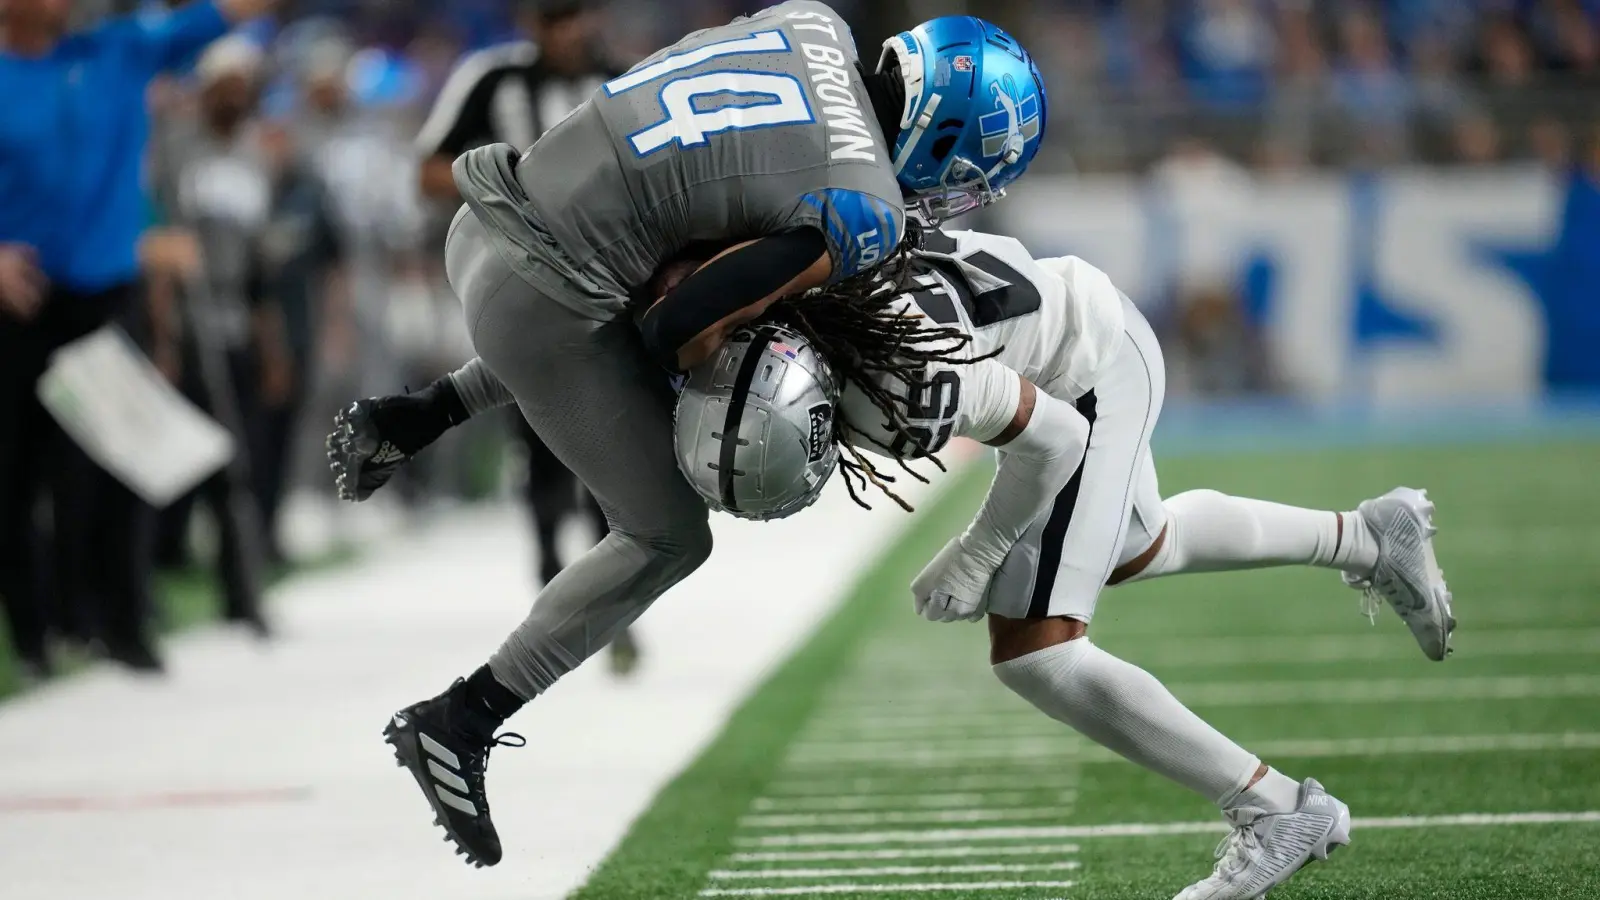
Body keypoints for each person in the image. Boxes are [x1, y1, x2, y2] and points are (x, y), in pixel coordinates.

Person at [327, 5, 1048, 867]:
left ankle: (419, 414)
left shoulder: (810, 19)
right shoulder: (869, 207)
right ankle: (462, 720)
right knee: (669, 533)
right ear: (944, 135)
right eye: (968, 171)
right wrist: (754, 373)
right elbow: (678, 323)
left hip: (484, 216)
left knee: (629, 282)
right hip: (534, 298)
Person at [666, 227, 1457, 900]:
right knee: (1143, 546)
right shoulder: (800, 276)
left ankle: (1275, 807)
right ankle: (1366, 535)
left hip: (1088, 377)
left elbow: (1056, 441)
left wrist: (974, 555)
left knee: (1038, 650)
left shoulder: (895, 390)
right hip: (1084, 323)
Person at [0, 0, 277, 675]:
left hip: (102, 293)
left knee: (114, 466)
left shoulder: (118, 51)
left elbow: (230, 12)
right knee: (13, 478)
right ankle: (37, 638)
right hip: (18, 298)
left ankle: (119, 622)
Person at [414, 0, 638, 674]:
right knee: (538, 441)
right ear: (531, 23)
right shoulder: (492, 81)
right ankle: (549, 572)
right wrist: (503, 193)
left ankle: (608, 601)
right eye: (552, 17)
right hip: (523, 292)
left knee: (618, 445)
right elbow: (428, 170)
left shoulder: (622, 82)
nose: (566, 31)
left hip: (611, 288)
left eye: (575, 16)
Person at [149, 35, 287, 635]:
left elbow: (260, 269)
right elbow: (160, 241)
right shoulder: (176, 149)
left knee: (242, 462)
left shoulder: (256, 159)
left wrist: (272, 343)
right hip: (182, 321)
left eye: (243, 86)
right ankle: (150, 585)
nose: (235, 97)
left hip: (234, 321)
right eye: (224, 85)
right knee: (174, 466)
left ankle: (241, 590)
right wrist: (162, 337)